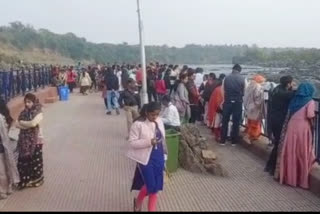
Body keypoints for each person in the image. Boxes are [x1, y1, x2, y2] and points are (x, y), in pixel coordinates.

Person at [275, 83, 316, 189]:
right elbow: (310, 115)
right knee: (301, 152)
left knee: (291, 151)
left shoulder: (294, 100)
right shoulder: (310, 101)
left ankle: (289, 178)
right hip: (302, 128)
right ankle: (301, 180)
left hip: (291, 126)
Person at [127, 102, 167, 212]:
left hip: (158, 156)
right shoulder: (138, 124)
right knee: (151, 186)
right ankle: (139, 203)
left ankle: (137, 202)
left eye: (157, 114)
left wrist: (165, 156)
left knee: (156, 187)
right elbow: (132, 143)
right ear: (146, 112)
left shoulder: (159, 121)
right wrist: (148, 142)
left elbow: (163, 140)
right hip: (145, 159)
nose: (155, 117)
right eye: (152, 114)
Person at [265, 75, 295, 175]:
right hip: (279, 120)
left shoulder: (276, 89)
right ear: (288, 84)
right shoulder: (284, 94)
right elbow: (294, 94)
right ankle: (271, 167)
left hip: (273, 119)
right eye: (291, 82)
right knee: (278, 143)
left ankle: (269, 165)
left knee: (277, 143)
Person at [15, 93, 44, 190]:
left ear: (34, 101)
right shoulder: (23, 112)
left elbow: (33, 123)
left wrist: (22, 123)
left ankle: (36, 180)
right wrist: (24, 124)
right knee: (24, 161)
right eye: (26, 102)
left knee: (35, 161)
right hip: (24, 142)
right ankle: (25, 180)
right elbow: (16, 124)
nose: (27, 104)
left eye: (29, 102)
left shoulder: (39, 112)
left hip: (36, 141)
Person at [220, 64, 246, 146]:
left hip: (227, 101)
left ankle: (222, 140)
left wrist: (223, 100)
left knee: (225, 121)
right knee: (236, 122)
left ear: (233, 69)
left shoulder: (226, 78)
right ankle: (234, 141)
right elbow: (245, 92)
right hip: (238, 102)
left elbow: (222, 90)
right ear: (239, 70)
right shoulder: (243, 79)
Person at [0, 98, 20, 199]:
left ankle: (3, 190)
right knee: (6, 166)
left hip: (3, 146)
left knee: (2, 169)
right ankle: (7, 187)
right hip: (5, 145)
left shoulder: (1, 118)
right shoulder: (4, 116)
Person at [243, 75, 266, 143]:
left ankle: (248, 134)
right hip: (255, 109)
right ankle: (251, 137)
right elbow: (258, 99)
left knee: (249, 122)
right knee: (255, 124)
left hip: (248, 108)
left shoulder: (249, 86)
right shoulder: (258, 87)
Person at [207, 74, 226, 141]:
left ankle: (217, 136)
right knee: (218, 123)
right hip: (219, 109)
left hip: (216, 109)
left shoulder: (217, 89)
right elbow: (218, 101)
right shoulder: (221, 90)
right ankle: (218, 136)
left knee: (216, 124)